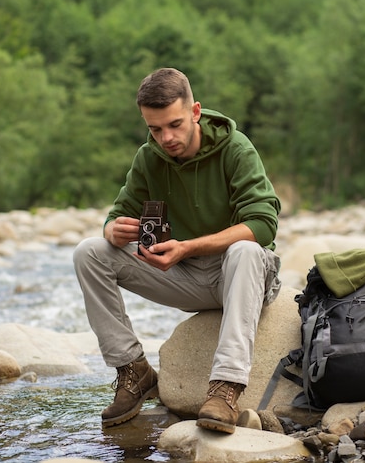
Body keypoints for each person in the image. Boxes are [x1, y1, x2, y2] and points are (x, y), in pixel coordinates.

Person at [73, 67, 281, 434]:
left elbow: (263, 225)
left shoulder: (236, 148)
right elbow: (117, 213)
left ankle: (226, 388)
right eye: (155, 129)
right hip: (184, 277)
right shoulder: (149, 158)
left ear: (196, 111)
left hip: (241, 278)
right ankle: (134, 371)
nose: (166, 137)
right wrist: (114, 229)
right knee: (90, 251)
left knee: (245, 251)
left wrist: (186, 247)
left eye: (175, 124)